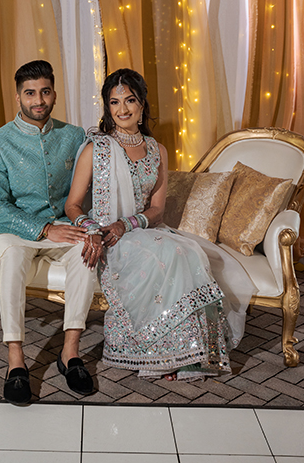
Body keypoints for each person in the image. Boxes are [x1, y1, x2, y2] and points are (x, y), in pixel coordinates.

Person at [65, 68, 254, 381]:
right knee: (175, 254)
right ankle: (159, 353)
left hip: (140, 230)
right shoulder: (95, 149)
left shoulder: (157, 151)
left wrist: (126, 224)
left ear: (142, 106)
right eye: (114, 102)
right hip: (108, 239)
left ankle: (190, 353)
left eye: (129, 100)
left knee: (191, 253)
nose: (122, 109)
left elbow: (157, 209)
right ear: (107, 108)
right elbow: (71, 205)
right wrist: (94, 231)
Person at [0, 60, 98, 405]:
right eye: (30, 93)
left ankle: (70, 353)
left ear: (54, 94)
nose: (38, 100)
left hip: (64, 225)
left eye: (45, 92)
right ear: (18, 97)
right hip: (12, 229)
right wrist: (42, 228)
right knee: (13, 254)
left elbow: (87, 190)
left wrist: (86, 227)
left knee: (85, 253)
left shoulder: (74, 137)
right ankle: (16, 361)